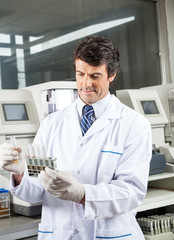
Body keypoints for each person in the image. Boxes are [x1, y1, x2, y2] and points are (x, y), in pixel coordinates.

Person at [0, 35, 152, 240]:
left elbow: (131, 192)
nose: (86, 83)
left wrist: (83, 194)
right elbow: (37, 189)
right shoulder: (52, 124)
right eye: (80, 74)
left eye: (95, 75)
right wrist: (20, 174)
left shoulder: (134, 124)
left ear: (112, 75)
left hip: (108, 234)